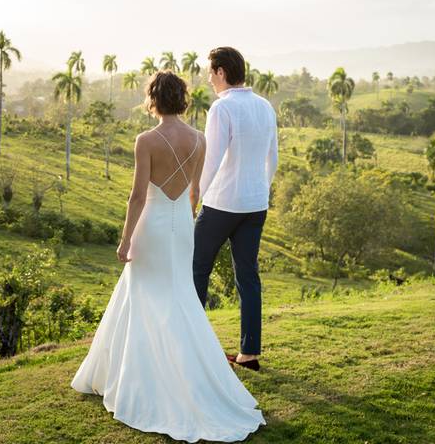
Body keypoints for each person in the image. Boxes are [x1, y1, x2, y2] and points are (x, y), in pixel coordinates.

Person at [71, 70, 265, 443]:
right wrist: (184, 218)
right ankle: (169, 370)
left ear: (154, 100)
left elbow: (137, 197)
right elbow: (194, 192)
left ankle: (141, 379)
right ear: (183, 99)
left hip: (153, 225)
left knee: (146, 298)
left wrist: (126, 239)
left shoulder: (146, 140)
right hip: (181, 225)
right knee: (175, 298)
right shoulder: (198, 140)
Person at [193, 46, 279, 371]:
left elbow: (211, 160)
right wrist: (259, 189)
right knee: (248, 275)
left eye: (210, 72)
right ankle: (249, 353)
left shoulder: (221, 108)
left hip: (221, 203)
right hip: (256, 204)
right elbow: (274, 156)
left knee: (196, 269)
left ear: (220, 72)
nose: (208, 79)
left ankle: (196, 348)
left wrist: (194, 198)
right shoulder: (265, 106)